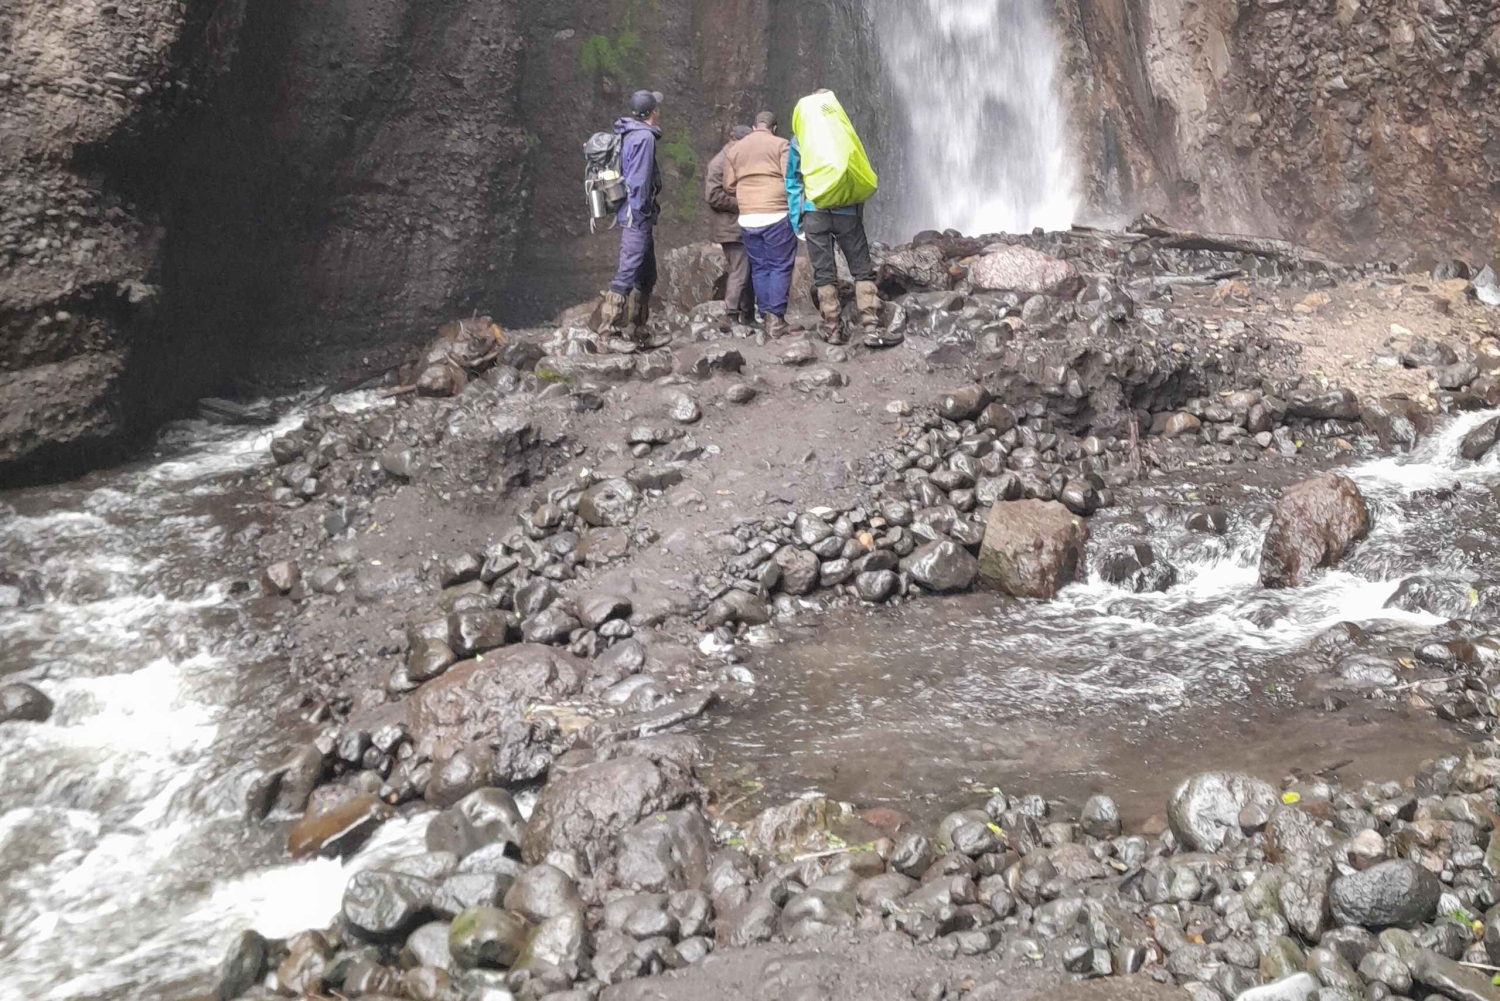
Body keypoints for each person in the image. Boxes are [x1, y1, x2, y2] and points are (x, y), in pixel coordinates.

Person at [786, 90, 889, 347]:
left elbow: (793, 181)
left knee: (824, 271)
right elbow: (858, 173)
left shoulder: (800, 139)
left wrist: (797, 219)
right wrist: (857, 212)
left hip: (815, 212)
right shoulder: (844, 133)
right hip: (847, 213)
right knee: (861, 268)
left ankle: (832, 327)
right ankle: (870, 325)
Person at [599, 90, 665, 349]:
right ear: (653, 112)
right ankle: (608, 332)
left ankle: (638, 328)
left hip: (633, 213)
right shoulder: (645, 137)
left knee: (647, 275)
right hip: (636, 214)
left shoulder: (625, 132)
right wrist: (640, 211)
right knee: (627, 272)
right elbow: (638, 180)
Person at [724, 111, 795, 338]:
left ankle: (766, 317)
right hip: (776, 213)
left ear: (754, 127)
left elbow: (727, 185)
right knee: (780, 265)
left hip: (747, 216)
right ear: (773, 128)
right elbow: (790, 177)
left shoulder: (735, 149)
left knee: (760, 267)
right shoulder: (781, 144)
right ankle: (776, 319)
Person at [705, 124, 756, 326]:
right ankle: (731, 314)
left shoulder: (736, 159)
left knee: (747, 271)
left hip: (739, 225)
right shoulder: (719, 163)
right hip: (730, 227)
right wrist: (744, 203)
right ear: (734, 140)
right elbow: (712, 196)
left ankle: (748, 316)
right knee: (740, 270)